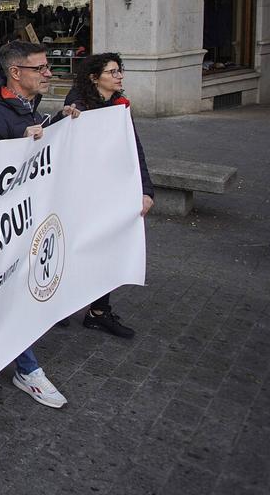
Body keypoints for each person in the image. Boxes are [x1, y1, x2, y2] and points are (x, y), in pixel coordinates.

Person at [0, 41, 77, 408]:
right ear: (16, 73)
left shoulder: (22, 105)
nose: (49, 73)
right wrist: (20, 143)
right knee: (5, 292)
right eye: (41, 68)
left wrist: (60, 123)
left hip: (22, 219)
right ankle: (27, 369)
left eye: (48, 67)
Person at [64, 52, 154, 339]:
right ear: (94, 77)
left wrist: (145, 190)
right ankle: (59, 306)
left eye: (120, 71)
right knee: (75, 249)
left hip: (111, 191)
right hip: (81, 194)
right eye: (113, 72)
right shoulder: (76, 104)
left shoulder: (119, 105)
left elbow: (134, 149)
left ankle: (99, 311)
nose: (119, 76)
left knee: (109, 248)